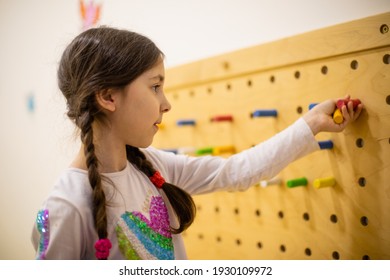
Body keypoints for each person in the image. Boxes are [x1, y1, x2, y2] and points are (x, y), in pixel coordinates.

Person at [31, 26, 363, 260]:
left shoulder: (154, 168)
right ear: (107, 96)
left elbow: (237, 171)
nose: (166, 103)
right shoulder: (67, 205)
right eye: (155, 86)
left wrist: (312, 123)